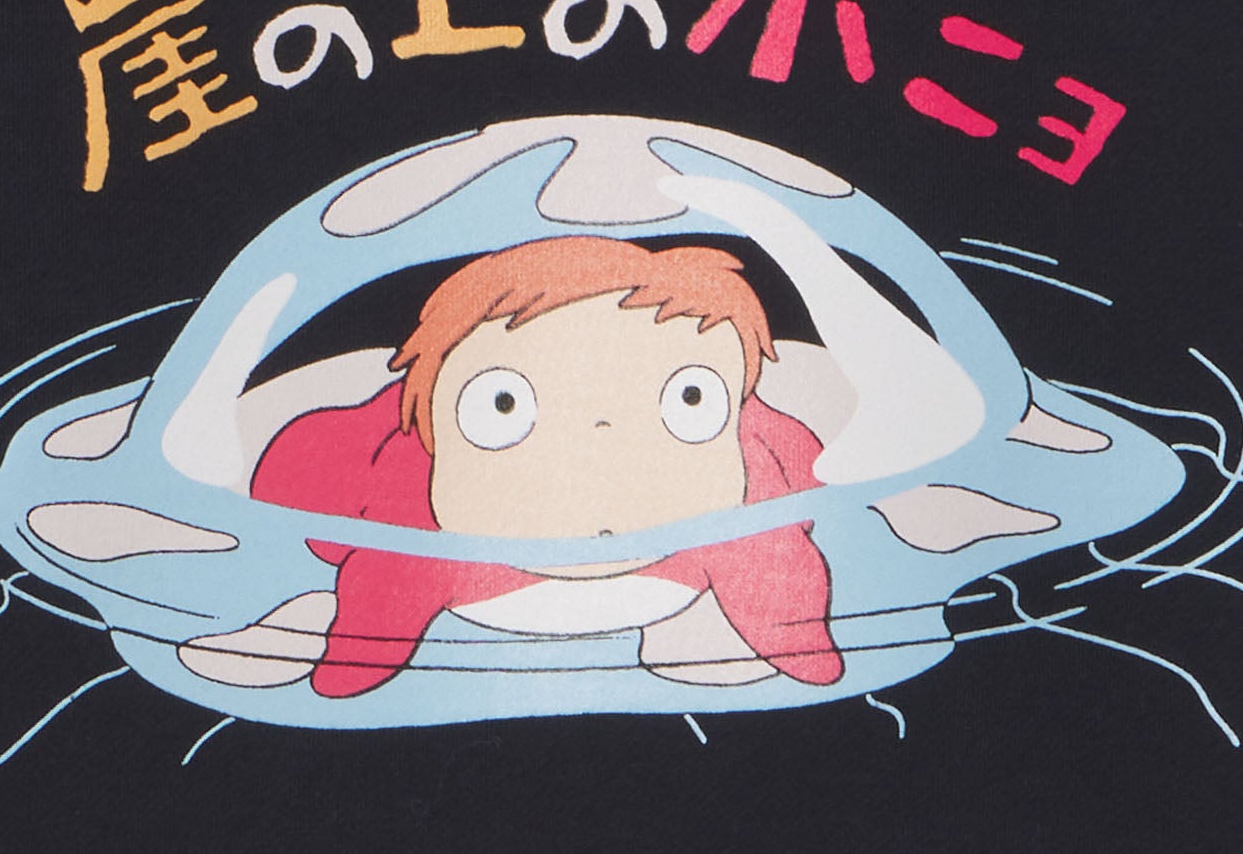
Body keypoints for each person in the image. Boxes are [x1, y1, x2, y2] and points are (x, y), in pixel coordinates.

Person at [239, 236, 843, 698]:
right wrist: (354, 657)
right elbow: (371, 604)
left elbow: (782, 551)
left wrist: (796, 640)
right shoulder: (408, 489)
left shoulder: (751, 467)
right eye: (500, 404)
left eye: (693, 398)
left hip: (674, 584)